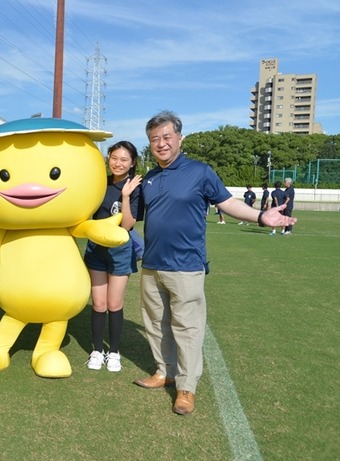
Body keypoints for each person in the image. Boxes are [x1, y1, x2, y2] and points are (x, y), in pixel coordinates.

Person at [133, 111, 296, 416]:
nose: (161, 143)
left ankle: (186, 388)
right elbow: (132, 215)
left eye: (167, 137)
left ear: (180, 138)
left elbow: (227, 203)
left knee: (188, 327)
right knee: (155, 324)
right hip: (152, 265)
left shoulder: (200, 171)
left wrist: (261, 216)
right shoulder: (150, 178)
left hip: (186, 266)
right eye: (154, 139)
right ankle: (163, 371)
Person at [83, 141, 142, 373]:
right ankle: (97, 350)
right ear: (108, 158)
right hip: (95, 250)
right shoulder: (99, 184)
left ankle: (114, 352)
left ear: (132, 163)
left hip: (120, 251)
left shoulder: (135, 188)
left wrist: (126, 196)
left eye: (124, 159)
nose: (118, 163)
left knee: (114, 303)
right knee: (98, 304)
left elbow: (127, 225)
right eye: (114, 157)